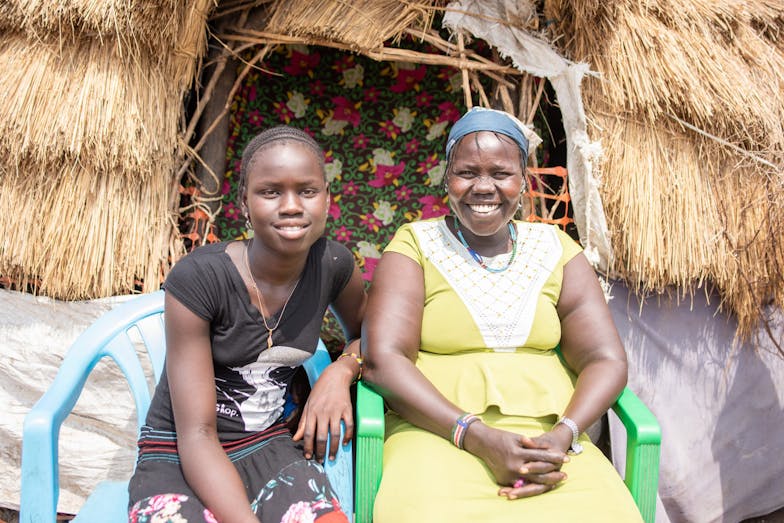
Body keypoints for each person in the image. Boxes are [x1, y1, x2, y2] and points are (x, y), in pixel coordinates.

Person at [362, 107, 643, 521]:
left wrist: (563, 435)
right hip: (437, 435)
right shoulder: (416, 245)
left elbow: (605, 359)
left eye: (500, 173)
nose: (483, 187)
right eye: (467, 172)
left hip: (552, 446)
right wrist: (476, 437)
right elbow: (383, 361)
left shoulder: (557, 249)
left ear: (524, 182)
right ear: (446, 178)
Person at [128, 126, 366, 523]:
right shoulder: (199, 278)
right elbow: (197, 435)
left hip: (270, 447)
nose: (290, 205)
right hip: (180, 453)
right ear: (244, 203)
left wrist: (341, 371)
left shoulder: (334, 266)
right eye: (270, 192)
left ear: (327, 199)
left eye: (307, 191)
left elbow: (371, 334)